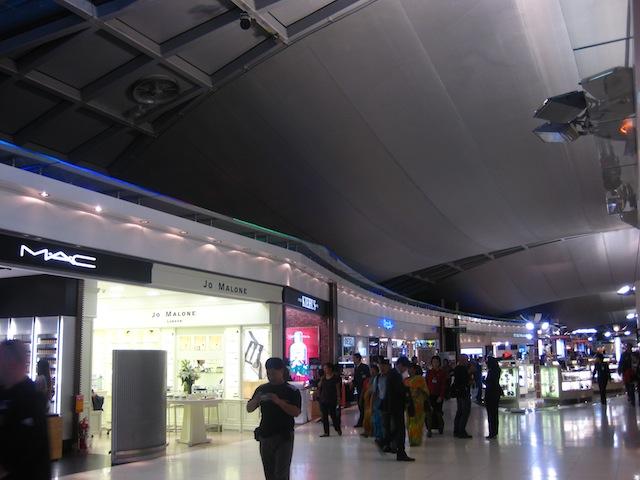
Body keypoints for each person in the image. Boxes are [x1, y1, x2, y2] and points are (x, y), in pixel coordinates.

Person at [0, 340, 51, 480]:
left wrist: (6, 467)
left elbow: (29, 447)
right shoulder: (4, 392)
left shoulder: (31, 398)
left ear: (12, 363)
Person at [247, 357, 302, 480]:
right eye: (268, 373)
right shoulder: (262, 389)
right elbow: (249, 408)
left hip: (284, 436)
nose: (270, 376)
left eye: (273, 373)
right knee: (269, 472)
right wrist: (257, 400)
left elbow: (296, 412)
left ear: (281, 371)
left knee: (281, 473)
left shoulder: (291, 390)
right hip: (265, 435)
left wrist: (278, 402)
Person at [377, 356, 415, 462]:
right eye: (405, 367)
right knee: (400, 429)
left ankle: (385, 442)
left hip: (394, 405)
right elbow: (398, 391)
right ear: (400, 365)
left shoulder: (393, 374)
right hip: (395, 406)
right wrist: (406, 391)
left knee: (397, 429)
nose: (405, 370)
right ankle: (399, 452)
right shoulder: (395, 375)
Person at [404, 364, 428, 446]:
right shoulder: (406, 380)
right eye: (408, 369)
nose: (409, 371)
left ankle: (416, 439)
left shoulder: (420, 379)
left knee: (417, 421)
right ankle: (411, 439)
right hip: (409, 404)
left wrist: (417, 392)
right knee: (409, 422)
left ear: (415, 370)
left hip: (418, 404)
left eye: (411, 369)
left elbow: (425, 391)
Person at [317, 363, 342, 437]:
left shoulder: (335, 378)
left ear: (330, 369)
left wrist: (338, 398)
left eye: (326, 368)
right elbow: (319, 386)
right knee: (324, 416)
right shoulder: (323, 378)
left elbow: (337, 389)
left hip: (332, 399)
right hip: (323, 398)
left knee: (333, 415)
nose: (325, 370)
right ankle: (326, 432)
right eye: (324, 368)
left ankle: (337, 428)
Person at [425, 355, 447, 437]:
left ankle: (440, 426)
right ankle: (429, 430)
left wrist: (441, 396)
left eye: (437, 362)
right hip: (430, 395)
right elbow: (426, 383)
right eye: (433, 362)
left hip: (438, 395)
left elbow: (443, 385)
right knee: (429, 413)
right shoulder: (429, 372)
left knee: (438, 413)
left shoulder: (442, 373)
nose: (435, 363)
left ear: (439, 363)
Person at [453, 354, 473, 439]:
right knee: (465, 411)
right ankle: (461, 430)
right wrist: (469, 373)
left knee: (460, 411)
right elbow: (465, 381)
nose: (467, 361)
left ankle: (457, 430)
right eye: (466, 359)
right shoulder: (462, 369)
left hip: (459, 393)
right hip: (464, 393)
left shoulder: (457, 369)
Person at [484, 357, 502, 440]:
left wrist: (484, 381)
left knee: (491, 414)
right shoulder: (497, 370)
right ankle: (494, 431)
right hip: (496, 393)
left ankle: (492, 432)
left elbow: (490, 382)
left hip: (491, 393)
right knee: (494, 413)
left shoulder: (492, 371)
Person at [353, 353, 371, 428]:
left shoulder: (364, 367)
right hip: (358, 389)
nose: (353, 360)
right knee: (360, 405)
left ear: (358, 358)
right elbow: (356, 379)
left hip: (364, 389)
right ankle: (362, 420)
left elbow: (366, 378)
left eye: (354, 358)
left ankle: (362, 421)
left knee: (362, 405)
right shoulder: (356, 368)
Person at [361, 364, 379, 438]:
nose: (371, 372)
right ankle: (367, 431)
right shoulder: (369, 379)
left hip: (373, 400)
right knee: (367, 416)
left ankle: (372, 431)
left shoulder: (377, 378)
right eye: (371, 370)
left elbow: (374, 390)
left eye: (373, 370)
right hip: (367, 401)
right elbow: (365, 388)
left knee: (372, 416)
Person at [373, 361, 388, 443]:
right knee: (378, 420)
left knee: (386, 421)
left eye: (384, 366)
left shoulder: (390, 377)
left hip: (388, 401)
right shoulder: (378, 378)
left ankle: (386, 438)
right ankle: (379, 436)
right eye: (380, 367)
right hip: (379, 401)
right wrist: (373, 403)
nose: (382, 368)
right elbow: (375, 391)